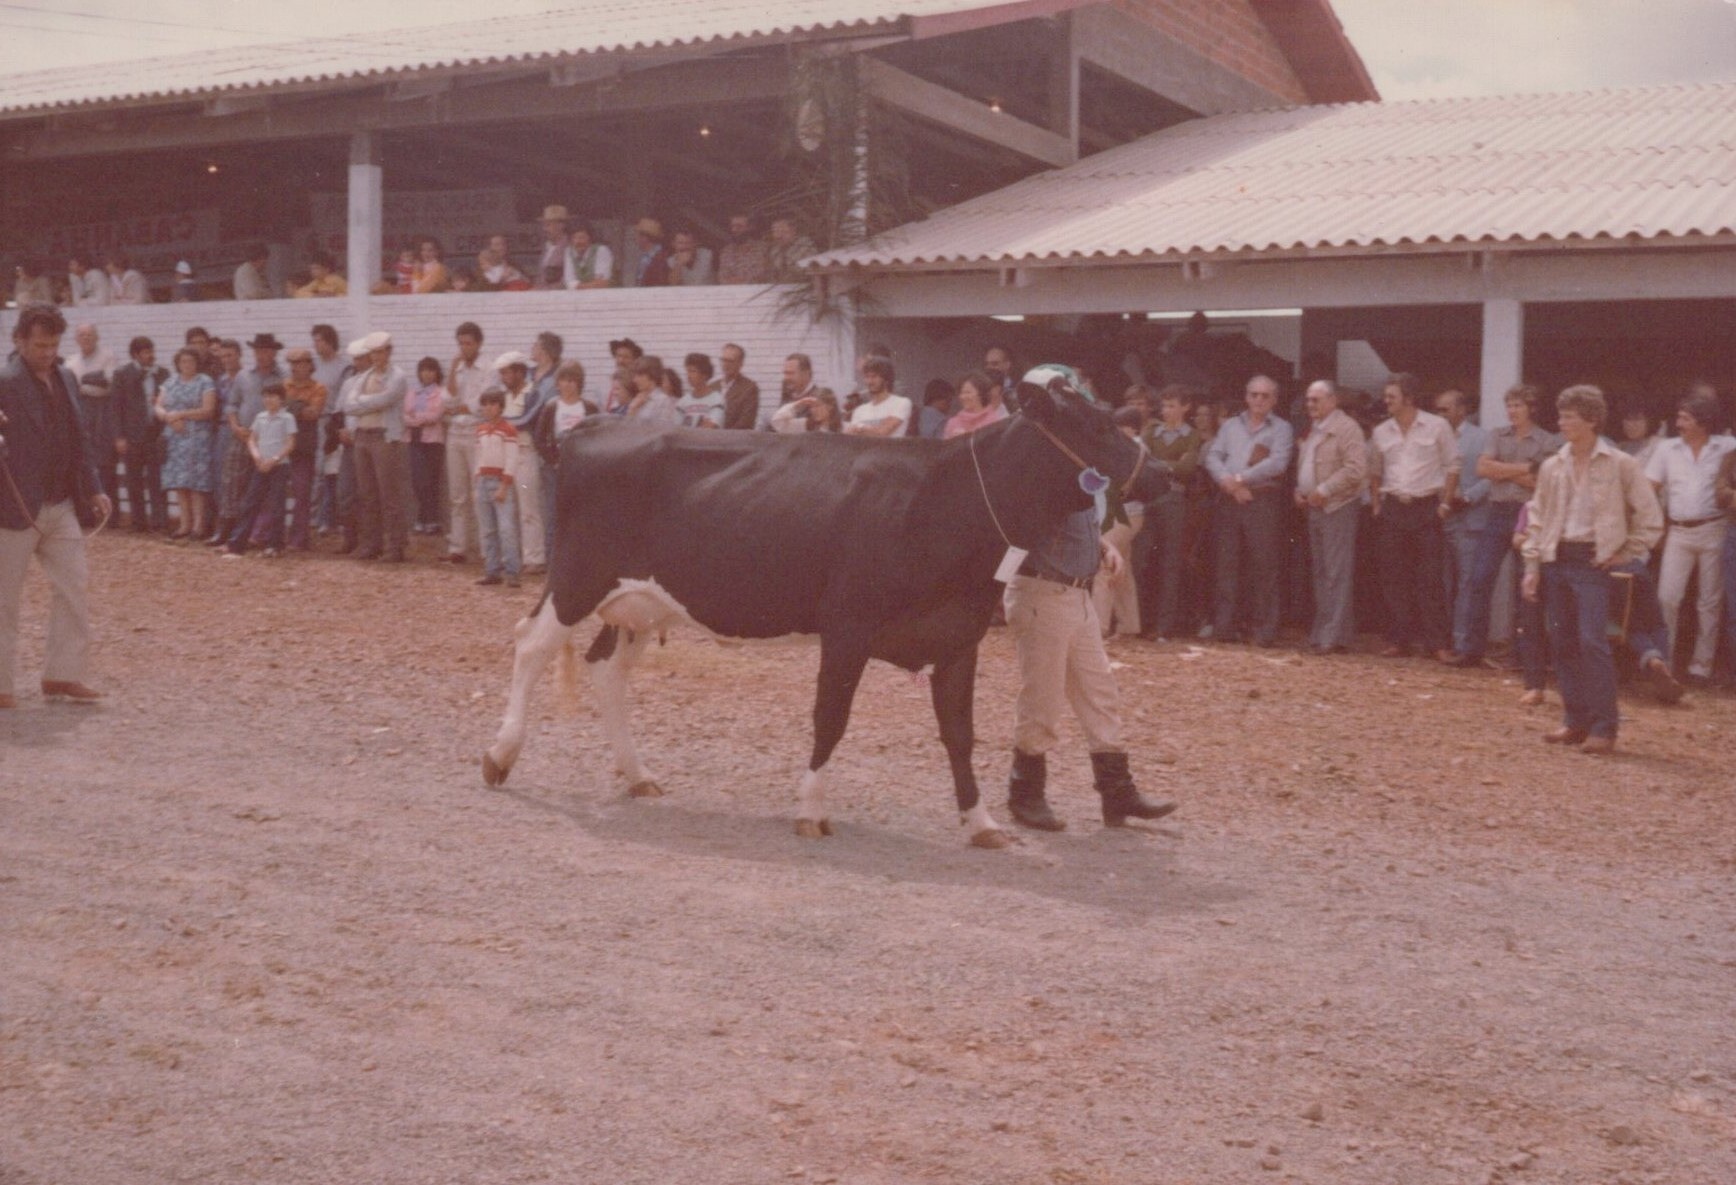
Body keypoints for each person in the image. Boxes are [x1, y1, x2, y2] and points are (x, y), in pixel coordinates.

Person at [1002, 364, 1178, 833]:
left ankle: (1117, 795)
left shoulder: (1066, 455)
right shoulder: (1032, 464)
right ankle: (1025, 793)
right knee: (1041, 701)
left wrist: (1100, 547)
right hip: (1043, 591)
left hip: (1073, 593)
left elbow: (1073, 518)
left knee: (1100, 694)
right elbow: (1026, 526)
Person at [1522, 385, 1674, 754]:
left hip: (1593, 562)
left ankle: (1605, 726)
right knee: (1562, 641)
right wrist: (1532, 565)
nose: (1562, 423)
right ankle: (1575, 720)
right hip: (1557, 559)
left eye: (1569, 417)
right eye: (1560, 416)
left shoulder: (1621, 464)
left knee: (1593, 642)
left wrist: (1625, 552)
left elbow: (1650, 517)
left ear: (1591, 420)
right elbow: (1537, 518)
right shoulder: (1552, 466)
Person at [0, 305, 112, 709]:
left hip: (61, 501)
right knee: (4, 599)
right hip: (12, 506)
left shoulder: (66, 377)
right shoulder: (4, 381)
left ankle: (62, 674)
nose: (47, 352)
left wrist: (94, 488)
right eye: (39, 345)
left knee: (74, 587)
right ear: (19, 340)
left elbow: (79, 437)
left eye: (53, 345)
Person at [1462, 384, 1558, 668]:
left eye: (1518, 405)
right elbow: (1482, 469)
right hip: (1497, 512)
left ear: (1531, 408)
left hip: (1528, 516)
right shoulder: (1497, 435)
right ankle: (1472, 649)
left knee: (1524, 585)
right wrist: (1525, 468)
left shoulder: (1546, 440)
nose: (1512, 411)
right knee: (1480, 578)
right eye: (1509, 405)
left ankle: (1523, 655)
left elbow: (1540, 481)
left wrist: (1501, 470)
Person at [1645, 388, 1734, 684]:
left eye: (1685, 418)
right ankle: (1666, 664)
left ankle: (1701, 667)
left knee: (1709, 601)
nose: (1678, 423)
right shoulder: (1666, 449)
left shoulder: (1726, 446)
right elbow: (1648, 487)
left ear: (1703, 422)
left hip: (1715, 528)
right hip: (1679, 531)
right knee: (1667, 597)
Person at [1367, 372, 1458, 661]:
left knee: (1430, 577)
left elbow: (1453, 466)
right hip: (1393, 508)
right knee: (1394, 577)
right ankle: (1399, 640)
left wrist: (1444, 505)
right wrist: (1377, 504)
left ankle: (1437, 644)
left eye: (1391, 396)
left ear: (1409, 398)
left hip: (1426, 508)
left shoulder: (1437, 426)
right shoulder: (1381, 431)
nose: (1386, 401)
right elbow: (1375, 470)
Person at [1203, 374, 1294, 647]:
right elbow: (1213, 456)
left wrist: (1240, 479)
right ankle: (1225, 627)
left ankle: (1264, 630)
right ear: (1246, 396)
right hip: (1229, 499)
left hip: (1262, 499)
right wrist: (1227, 482)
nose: (1259, 400)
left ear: (1274, 400)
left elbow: (1278, 462)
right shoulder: (1230, 426)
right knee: (1227, 564)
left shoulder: (1282, 428)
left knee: (1264, 565)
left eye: (1265, 395)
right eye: (1254, 394)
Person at [1293, 380, 1366, 655]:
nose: (1310, 404)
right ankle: (1328, 631)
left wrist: (1324, 489)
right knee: (1322, 571)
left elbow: (1356, 469)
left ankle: (1332, 635)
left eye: (1316, 399)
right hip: (1314, 507)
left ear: (1333, 401)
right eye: (1308, 400)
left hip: (1337, 506)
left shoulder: (1347, 428)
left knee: (1336, 571)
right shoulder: (1316, 428)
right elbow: (1307, 464)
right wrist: (1300, 490)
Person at [1139, 384, 1202, 641]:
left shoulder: (1191, 435)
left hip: (1174, 499)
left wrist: (1156, 464)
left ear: (1185, 407)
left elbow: (1188, 468)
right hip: (1149, 498)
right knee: (1143, 558)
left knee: (1171, 561)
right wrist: (1171, 465)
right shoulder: (1152, 431)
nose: (1166, 411)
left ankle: (1165, 625)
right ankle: (1143, 621)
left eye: (1172, 406)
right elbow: (1140, 461)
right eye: (1164, 406)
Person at [342, 331, 411, 563]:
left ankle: (395, 546)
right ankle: (371, 543)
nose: (376, 357)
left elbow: (387, 399)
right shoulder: (363, 377)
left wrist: (363, 403)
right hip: (362, 435)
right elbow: (348, 405)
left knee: (389, 494)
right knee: (367, 493)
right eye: (373, 353)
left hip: (384, 436)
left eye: (380, 352)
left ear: (389, 352)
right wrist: (370, 404)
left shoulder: (398, 376)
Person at [1434, 388, 1491, 665]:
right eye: (1437, 410)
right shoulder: (1432, 436)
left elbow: (1491, 476)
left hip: (1468, 518)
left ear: (1461, 410)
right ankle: (1440, 640)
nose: (1440, 415)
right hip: (1438, 518)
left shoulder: (1481, 438)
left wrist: (1467, 497)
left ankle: (1462, 642)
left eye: (1445, 409)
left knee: (1467, 582)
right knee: (1440, 582)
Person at [214, 333, 286, 548]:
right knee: (232, 483)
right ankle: (226, 531)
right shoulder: (243, 376)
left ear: (274, 353)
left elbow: (287, 407)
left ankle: (260, 535)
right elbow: (231, 405)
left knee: (264, 489)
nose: (261, 355)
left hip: (269, 439)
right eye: (258, 351)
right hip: (243, 436)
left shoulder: (283, 377)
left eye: (266, 351)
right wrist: (235, 427)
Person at [223, 382, 295, 557]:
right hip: (260, 466)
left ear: (281, 399)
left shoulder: (287, 418)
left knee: (276, 505)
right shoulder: (260, 417)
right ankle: (237, 544)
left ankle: (274, 546)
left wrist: (274, 459)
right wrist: (257, 457)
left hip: (279, 466)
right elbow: (252, 439)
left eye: (273, 396)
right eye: (266, 396)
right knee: (250, 503)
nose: (269, 400)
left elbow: (290, 443)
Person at [1093, 406, 1147, 639]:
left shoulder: (1137, 449)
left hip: (1127, 513)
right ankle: (1129, 624)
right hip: (1118, 514)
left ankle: (1099, 626)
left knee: (1104, 563)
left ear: (1133, 429)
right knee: (1122, 566)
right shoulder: (1124, 448)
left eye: (1121, 428)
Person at [154, 346, 218, 540]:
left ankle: (198, 526)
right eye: (183, 361)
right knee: (180, 483)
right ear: (178, 363)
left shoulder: (205, 381)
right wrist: (168, 417)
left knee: (196, 484)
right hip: (175, 439)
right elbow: (158, 406)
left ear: (197, 363)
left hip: (197, 439)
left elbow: (208, 410)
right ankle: (184, 525)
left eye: (191, 361)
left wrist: (180, 414)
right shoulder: (170, 382)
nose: (187, 364)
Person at [441, 322, 489, 565]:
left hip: (475, 432)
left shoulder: (488, 368)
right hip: (455, 433)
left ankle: (486, 548)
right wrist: (452, 368)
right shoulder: (458, 368)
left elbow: (482, 403)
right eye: (460, 344)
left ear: (478, 343)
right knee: (457, 494)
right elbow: (447, 400)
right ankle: (458, 546)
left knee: (478, 491)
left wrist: (461, 407)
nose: (464, 348)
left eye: (468, 343)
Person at [111, 336, 169, 533]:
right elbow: (116, 407)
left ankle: (160, 521)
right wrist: (119, 436)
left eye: (152, 351)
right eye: (146, 352)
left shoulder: (162, 373)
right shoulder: (122, 374)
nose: (151, 355)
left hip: (155, 433)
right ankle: (138, 521)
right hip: (132, 434)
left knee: (157, 478)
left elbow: (170, 398)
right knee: (134, 479)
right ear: (135, 355)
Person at [532, 359, 589, 559]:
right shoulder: (552, 407)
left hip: (581, 469)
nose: (568, 385)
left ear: (579, 383)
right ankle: (552, 562)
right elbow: (539, 439)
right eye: (564, 380)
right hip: (556, 469)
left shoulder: (588, 407)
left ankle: (578, 560)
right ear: (558, 383)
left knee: (579, 515)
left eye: (573, 381)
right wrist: (553, 461)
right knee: (554, 516)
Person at [64, 325, 120, 505]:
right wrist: (89, 384)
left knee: (105, 466)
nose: (86, 338)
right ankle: (87, 511)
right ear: (76, 339)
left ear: (96, 337)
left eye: (89, 334)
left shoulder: (108, 357)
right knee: (82, 462)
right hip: (79, 417)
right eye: (82, 335)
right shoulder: (70, 362)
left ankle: (111, 512)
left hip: (102, 419)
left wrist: (82, 387)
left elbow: (110, 387)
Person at [280, 348, 327, 551]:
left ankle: (299, 538)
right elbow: (275, 408)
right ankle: (273, 534)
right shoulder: (283, 385)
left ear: (309, 365)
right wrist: (300, 407)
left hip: (304, 446)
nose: (294, 368)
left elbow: (313, 413)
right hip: (281, 444)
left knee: (302, 492)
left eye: (299, 363)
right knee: (275, 491)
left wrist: (289, 406)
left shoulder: (319, 388)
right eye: (292, 364)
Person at [473, 389, 521, 588]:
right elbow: (478, 457)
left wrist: (504, 485)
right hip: (483, 482)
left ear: (501, 407)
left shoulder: (508, 430)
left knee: (506, 529)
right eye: (485, 404)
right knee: (488, 530)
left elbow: (512, 459)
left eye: (493, 404)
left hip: (500, 482)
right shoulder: (481, 430)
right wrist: (476, 481)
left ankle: (512, 572)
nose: (488, 408)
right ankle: (492, 571)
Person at [403, 357, 447, 536]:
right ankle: (424, 517)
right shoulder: (413, 392)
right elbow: (403, 415)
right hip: (414, 439)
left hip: (433, 441)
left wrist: (416, 418)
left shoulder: (441, 392)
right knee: (418, 481)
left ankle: (430, 520)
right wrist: (418, 419)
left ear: (436, 373)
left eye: (430, 370)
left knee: (431, 480)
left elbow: (435, 415)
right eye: (423, 370)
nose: (427, 374)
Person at [844, 359, 910, 437]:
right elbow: (851, 436)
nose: (869, 382)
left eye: (874, 377)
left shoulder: (901, 403)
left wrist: (859, 428)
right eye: (867, 377)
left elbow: (882, 432)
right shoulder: (859, 410)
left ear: (886, 379)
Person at [943, 371, 1004, 439]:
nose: (962, 397)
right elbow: (945, 445)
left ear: (981, 393)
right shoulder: (953, 423)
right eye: (961, 393)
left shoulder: (994, 422)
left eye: (967, 392)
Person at [623, 356, 680, 426]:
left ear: (652, 375)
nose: (635, 380)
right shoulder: (636, 400)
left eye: (640, 375)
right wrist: (632, 410)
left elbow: (663, 429)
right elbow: (625, 429)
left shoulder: (664, 401)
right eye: (635, 375)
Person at [717, 213, 772, 284]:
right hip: (731, 289)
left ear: (749, 228)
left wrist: (742, 281)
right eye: (733, 226)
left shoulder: (763, 249)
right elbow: (722, 276)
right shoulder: (726, 251)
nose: (734, 230)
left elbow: (762, 273)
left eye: (739, 226)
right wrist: (730, 281)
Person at [717, 343, 761, 430]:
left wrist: (722, 436)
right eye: (724, 360)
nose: (726, 364)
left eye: (730, 361)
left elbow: (746, 422)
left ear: (740, 364)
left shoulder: (749, 388)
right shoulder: (713, 386)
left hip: (734, 437)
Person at [677, 354, 725, 427]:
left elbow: (710, 427)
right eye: (687, 371)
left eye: (693, 371)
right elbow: (676, 428)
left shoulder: (717, 400)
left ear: (704, 375)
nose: (688, 375)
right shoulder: (682, 402)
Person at [564, 224, 613, 289]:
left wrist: (579, 286)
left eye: (582, 237)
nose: (577, 241)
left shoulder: (601, 250)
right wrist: (579, 286)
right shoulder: (569, 252)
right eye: (574, 238)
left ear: (590, 238)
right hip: (580, 294)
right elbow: (569, 281)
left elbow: (602, 283)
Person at [770, 390, 842, 433]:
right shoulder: (805, 425)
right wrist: (798, 404)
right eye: (811, 406)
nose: (814, 410)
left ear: (830, 406)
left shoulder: (844, 428)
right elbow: (777, 421)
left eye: (817, 405)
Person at [534, 205, 569, 288]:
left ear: (561, 225)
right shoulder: (546, 247)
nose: (544, 229)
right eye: (544, 225)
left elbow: (569, 277)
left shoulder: (569, 247)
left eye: (548, 225)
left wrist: (546, 290)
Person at [1617, 404, 1662, 468]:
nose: (1630, 424)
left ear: (1650, 421)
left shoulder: (1661, 447)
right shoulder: (1621, 448)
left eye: (1637, 419)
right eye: (1627, 419)